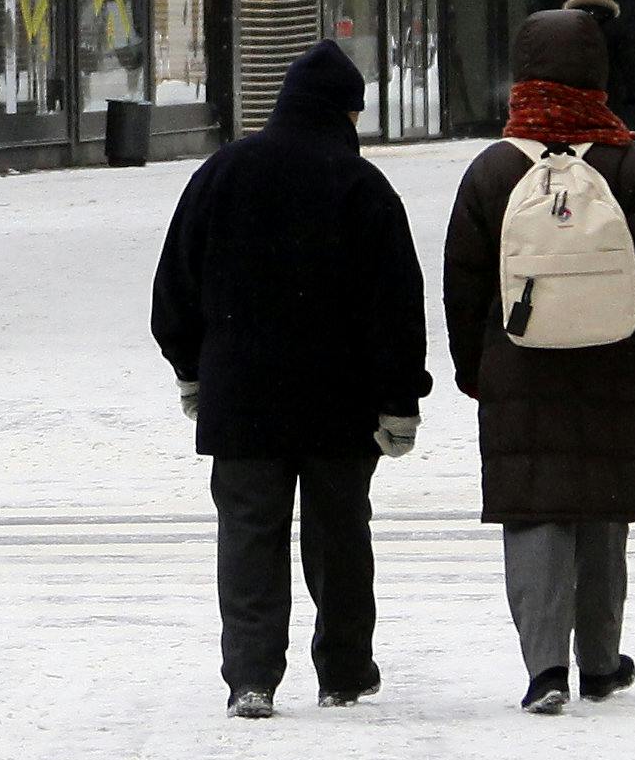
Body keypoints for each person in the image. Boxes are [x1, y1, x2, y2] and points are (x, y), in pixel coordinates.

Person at [444, 6, 635, 715]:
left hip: (519, 362)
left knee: (534, 509)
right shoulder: (628, 164)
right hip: (612, 358)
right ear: (597, 75)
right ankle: (598, 661)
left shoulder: (493, 169)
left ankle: (544, 669)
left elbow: (462, 282)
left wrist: (469, 365)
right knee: (603, 507)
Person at [150, 41, 429, 720]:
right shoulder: (360, 187)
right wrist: (398, 401)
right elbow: (396, 303)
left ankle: (251, 675)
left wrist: (191, 370)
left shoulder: (222, 173)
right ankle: (342, 669)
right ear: (344, 113)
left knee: (248, 535)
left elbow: (174, 288)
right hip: (340, 400)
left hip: (241, 398)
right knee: (339, 538)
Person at [563, 0, 635, 123]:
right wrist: (632, 91)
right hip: (609, 90)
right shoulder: (616, 27)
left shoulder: (566, 26)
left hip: (574, 90)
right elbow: (627, 61)